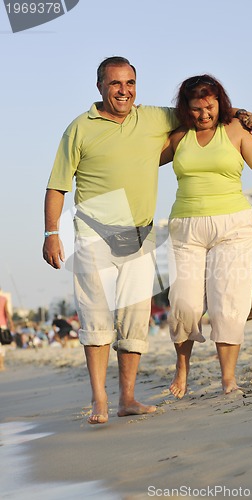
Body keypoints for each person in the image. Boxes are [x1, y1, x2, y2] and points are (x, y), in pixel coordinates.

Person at [43, 56, 179, 424]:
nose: (124, 91)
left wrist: (242, 116)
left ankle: (128, 399)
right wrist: (51, 233)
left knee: (135, 319)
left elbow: (199, 111)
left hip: (141, 234)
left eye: (130, 83)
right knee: (97, 317)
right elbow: (58, 184)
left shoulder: (152, 117)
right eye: (116, 83)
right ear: (100, 86)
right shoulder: (80, 128)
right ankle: (100, 398)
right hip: (93, 234)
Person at [160, 74, 252, 397]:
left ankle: (228, 379)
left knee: (227, 304)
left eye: (210, 107)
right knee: (183, 304)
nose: (204, 115)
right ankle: (182, 368)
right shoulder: (178, 136)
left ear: (219, 103)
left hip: (234, 226)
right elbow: (139, 162)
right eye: (196, 109)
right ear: (186, 109)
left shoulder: (236, 130)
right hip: (186, 227)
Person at [0, 287, 14, 371]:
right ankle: (1, 365)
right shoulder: (4, 299)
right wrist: (11, 323)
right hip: (2, 325)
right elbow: (7, 312)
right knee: (2, 346)